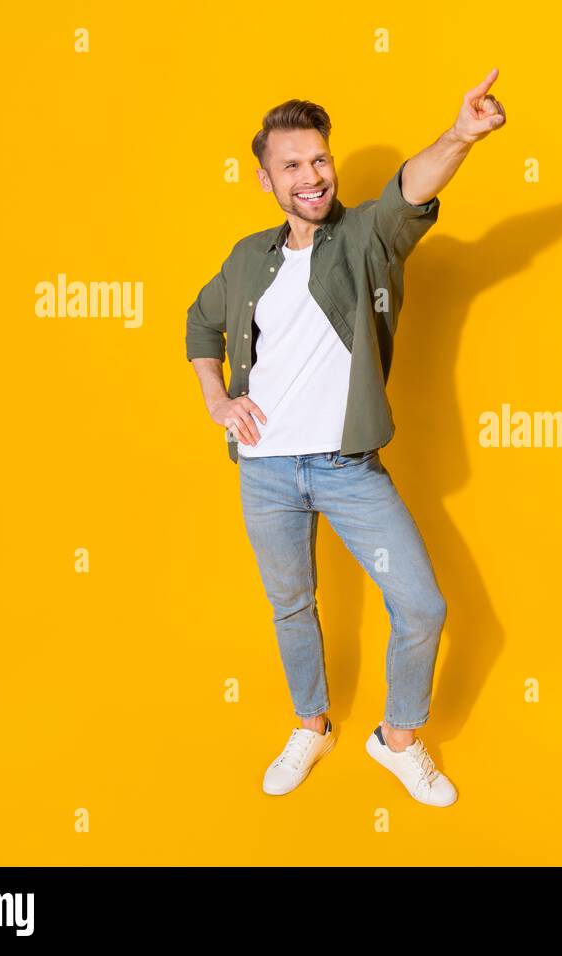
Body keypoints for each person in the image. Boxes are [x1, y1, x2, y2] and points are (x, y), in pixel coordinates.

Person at [185, 70, 507, 806]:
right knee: (292, 604)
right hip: (265, 471)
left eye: (320, 159)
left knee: (421, 605)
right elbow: (200, 322)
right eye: (292, 164)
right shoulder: (246, 258)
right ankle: (311, 726)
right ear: (265, 177)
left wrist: (460, 134)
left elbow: (410, 189)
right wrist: (216, 396)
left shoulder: (364, 237)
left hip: (346, 468)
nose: (312, 175)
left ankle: (397, 739)